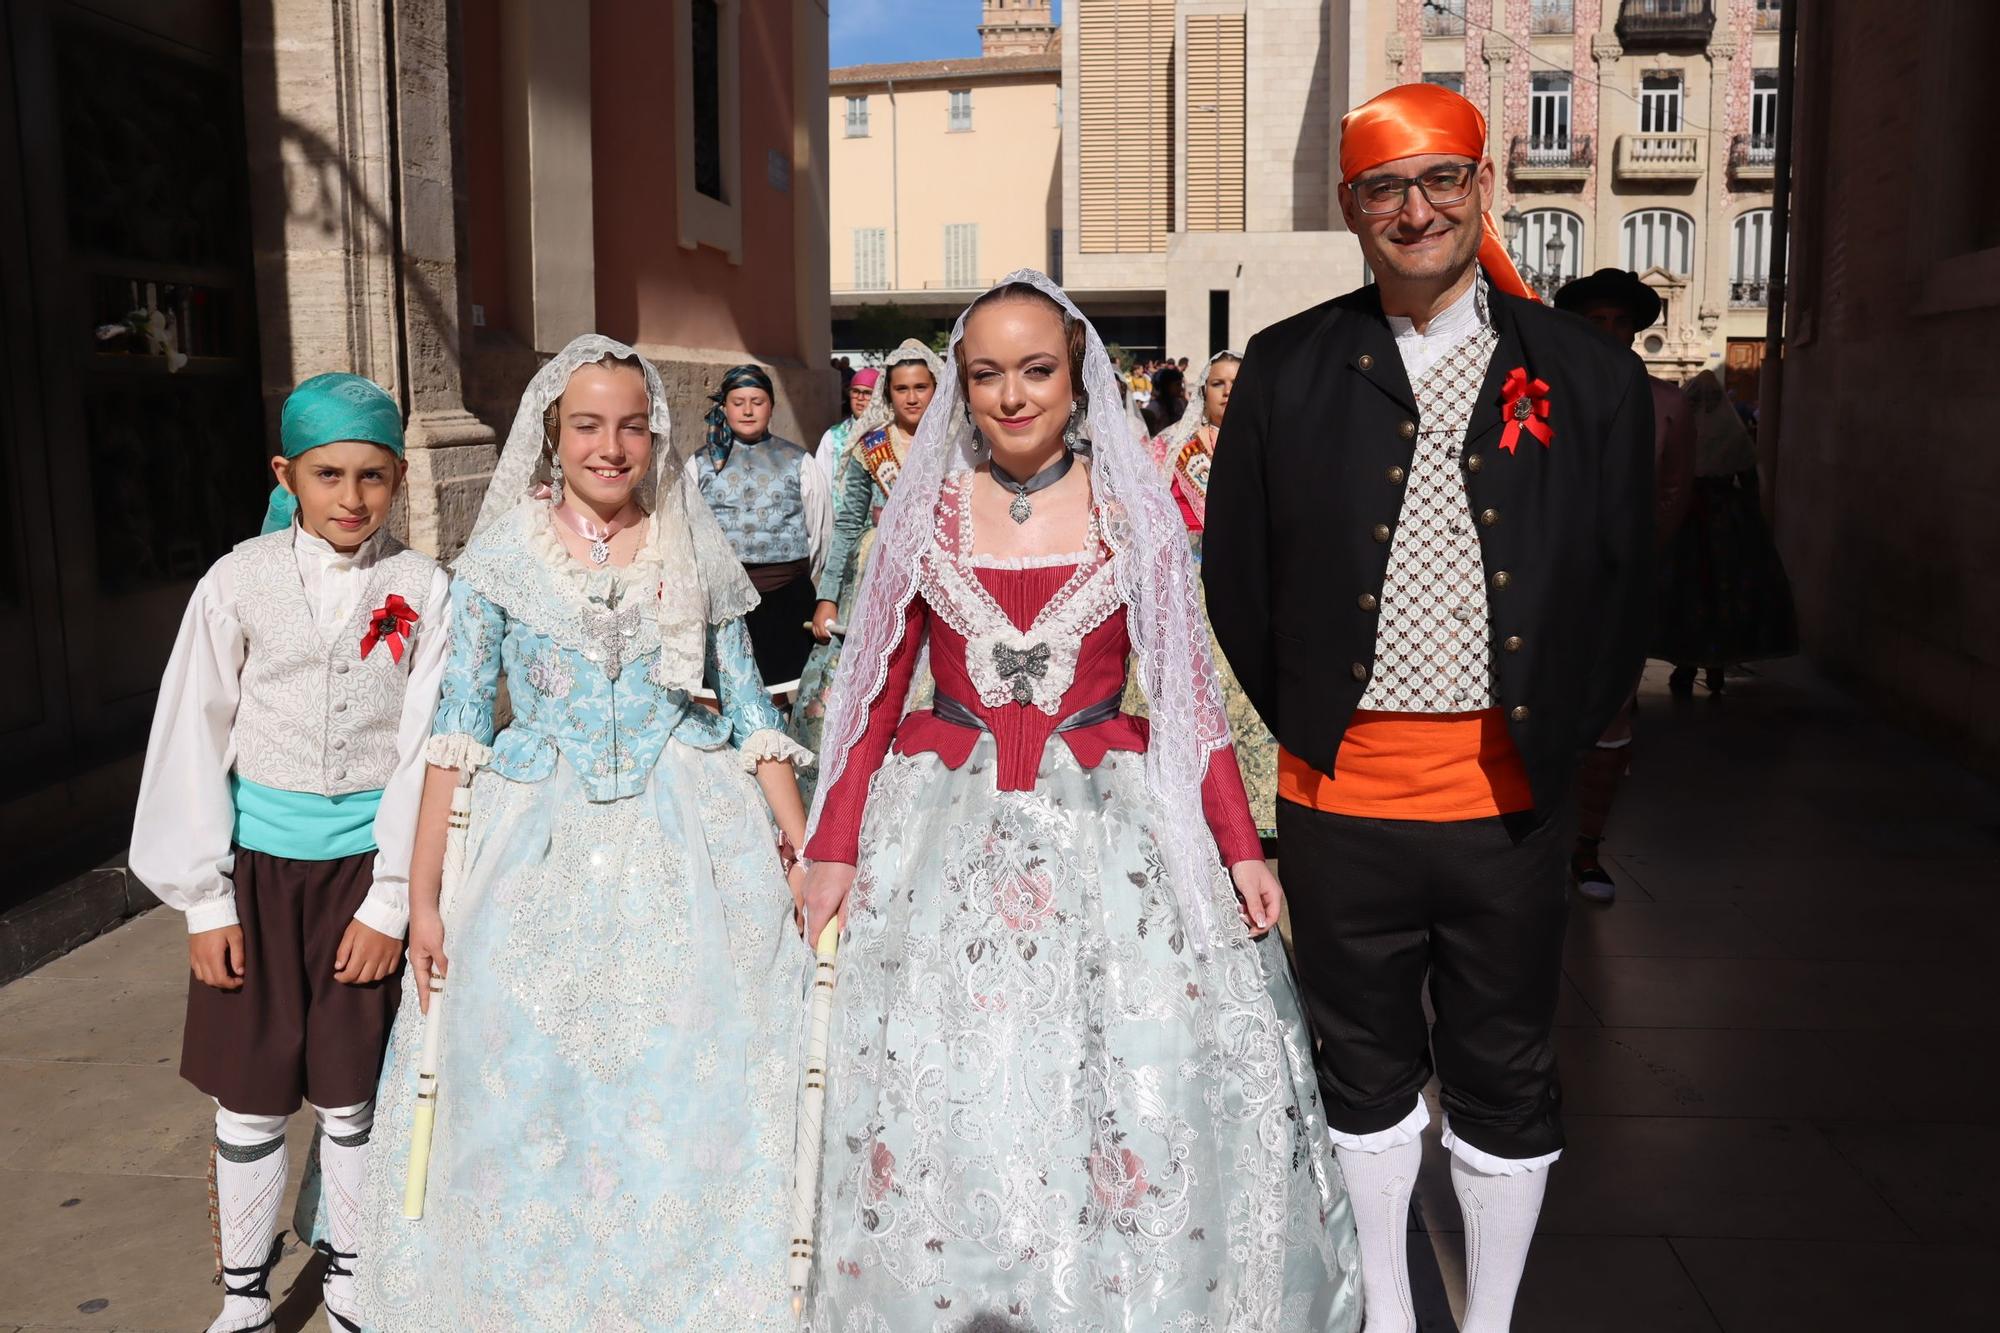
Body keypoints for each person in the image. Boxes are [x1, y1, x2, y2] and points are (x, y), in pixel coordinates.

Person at [798, 271, 1360, 1330]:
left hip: (1108, 824)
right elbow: (869, 694)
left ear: (1078, 375)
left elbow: (1187, 694)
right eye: (986, 374)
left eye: (1035, 369)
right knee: (954, 1063)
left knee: (1116, 1057)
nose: (1012, 395)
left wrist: (1238, 845)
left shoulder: (1130, 509)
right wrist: (832, 842)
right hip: (943, 826)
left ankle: (1102, 1278)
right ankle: (963, 1269)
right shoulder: (922, 514)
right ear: (958, 388)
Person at [1204, 83, 1654, 1333]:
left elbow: (1624, 581)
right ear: (1349, 207)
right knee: (1358, 1069)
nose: (1416, 210)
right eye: (1384, 188)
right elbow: (1235, 577)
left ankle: (1492, 1314)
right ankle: (1394, 1312)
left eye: (1439, 179)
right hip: (1337, 800)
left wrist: (1563, 730)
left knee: (1504, 1068)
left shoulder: (1586, 373)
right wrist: (1309, 719)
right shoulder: (1289, 366)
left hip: (1508, 801)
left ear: (1482, 184)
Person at [355, 336, 814, 1328]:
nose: (610, 447)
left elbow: (749, 714)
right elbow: (458, 730)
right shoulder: (501, 557)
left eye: (630, 426)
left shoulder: (692, 541)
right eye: (587, 426)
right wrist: (424, 897)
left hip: (689, 833)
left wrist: (799, 847)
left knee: (693, 1076)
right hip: (536, 844)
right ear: (552, 437)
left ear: (656, 436)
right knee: (529, 1086)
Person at [130, 373, 451, 1333]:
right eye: (327, 475)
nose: (350, 498)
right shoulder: (236, 581)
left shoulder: (426, 589)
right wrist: (204, 900)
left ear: (398, 480)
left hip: (363, 878)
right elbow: (192, 732)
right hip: (255, 880)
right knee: (250, 1099)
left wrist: (391, 899)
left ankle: (350, 1273)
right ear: (287, 474)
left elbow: (427, 750)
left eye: (372, 477)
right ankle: (243, 1295)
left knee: (354, 1094)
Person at [1554, 268, 1697, 903]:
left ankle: (1587, 848)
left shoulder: (1669, 404)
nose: (1609, 332)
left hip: (1621, 590)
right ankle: (1531, 847)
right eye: (1596, 321)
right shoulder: (1539, 398)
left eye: (1620, 322)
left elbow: (1672, 495)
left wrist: (1631, 569)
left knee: (1611, 716)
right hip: (1545, 588)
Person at [790, 339, 942, 796]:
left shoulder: (959, 445)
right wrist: (827, 596)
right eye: (901, 388)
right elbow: (848, 526)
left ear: (937, 389)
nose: (912, 397)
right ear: (887, 394)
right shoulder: (869, 447)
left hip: (941, 573)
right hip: (874, 579)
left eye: (921, 387)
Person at [1142, 349, 1281, 840]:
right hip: (1188, 586)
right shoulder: (1168, 450)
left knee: (1248, 691)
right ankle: (1189, 801)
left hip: (1255, 583)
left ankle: (1258, 809)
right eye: (1217, 384)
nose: (1227, 391)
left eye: (1236, 382)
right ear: (1202, 394)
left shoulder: (1276, 445)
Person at [1657, 368, 1797, 697]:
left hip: (1685, 519)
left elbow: (1662, 475)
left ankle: (1687, 664)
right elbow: (1749, 482)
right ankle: (1715, 664)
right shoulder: (1732, 435)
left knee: (1688, 591)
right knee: (1723, 592)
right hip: (1727, 523)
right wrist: (1752, 524)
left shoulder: (1680, 431)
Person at [698, 363, 833, 692]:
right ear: (724, 407)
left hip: (785, 602)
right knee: (725, 694)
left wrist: (789, 574)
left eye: (757, 402)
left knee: (786, 692)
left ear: (771, 406)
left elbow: (821, 531)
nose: (747, 410)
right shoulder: (698, 464)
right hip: (720, 604)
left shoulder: (799, 462)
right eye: (738, 401)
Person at [814, 366, 880, 484]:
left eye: (867, 393)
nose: (860, 398)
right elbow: (820, 482)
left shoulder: (890, 434)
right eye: (855, 391)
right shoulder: (833, 436)